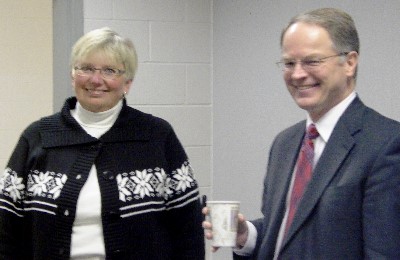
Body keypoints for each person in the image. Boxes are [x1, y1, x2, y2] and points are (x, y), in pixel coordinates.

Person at [203, 7, 400, 259]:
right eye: (288, 63)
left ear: (349, 62)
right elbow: (291, 230)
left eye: (312, 61)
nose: (297, 74)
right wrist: (247, 236)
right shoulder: (285, 143)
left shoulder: (386, 143)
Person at [0, 27, 205, 260]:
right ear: (72, 75)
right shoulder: (37, 137)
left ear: (127, 83)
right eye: (86, 68)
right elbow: (7, 232)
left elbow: (188, 232)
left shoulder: (157, 136)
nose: (96, 80)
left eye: (110, 70)